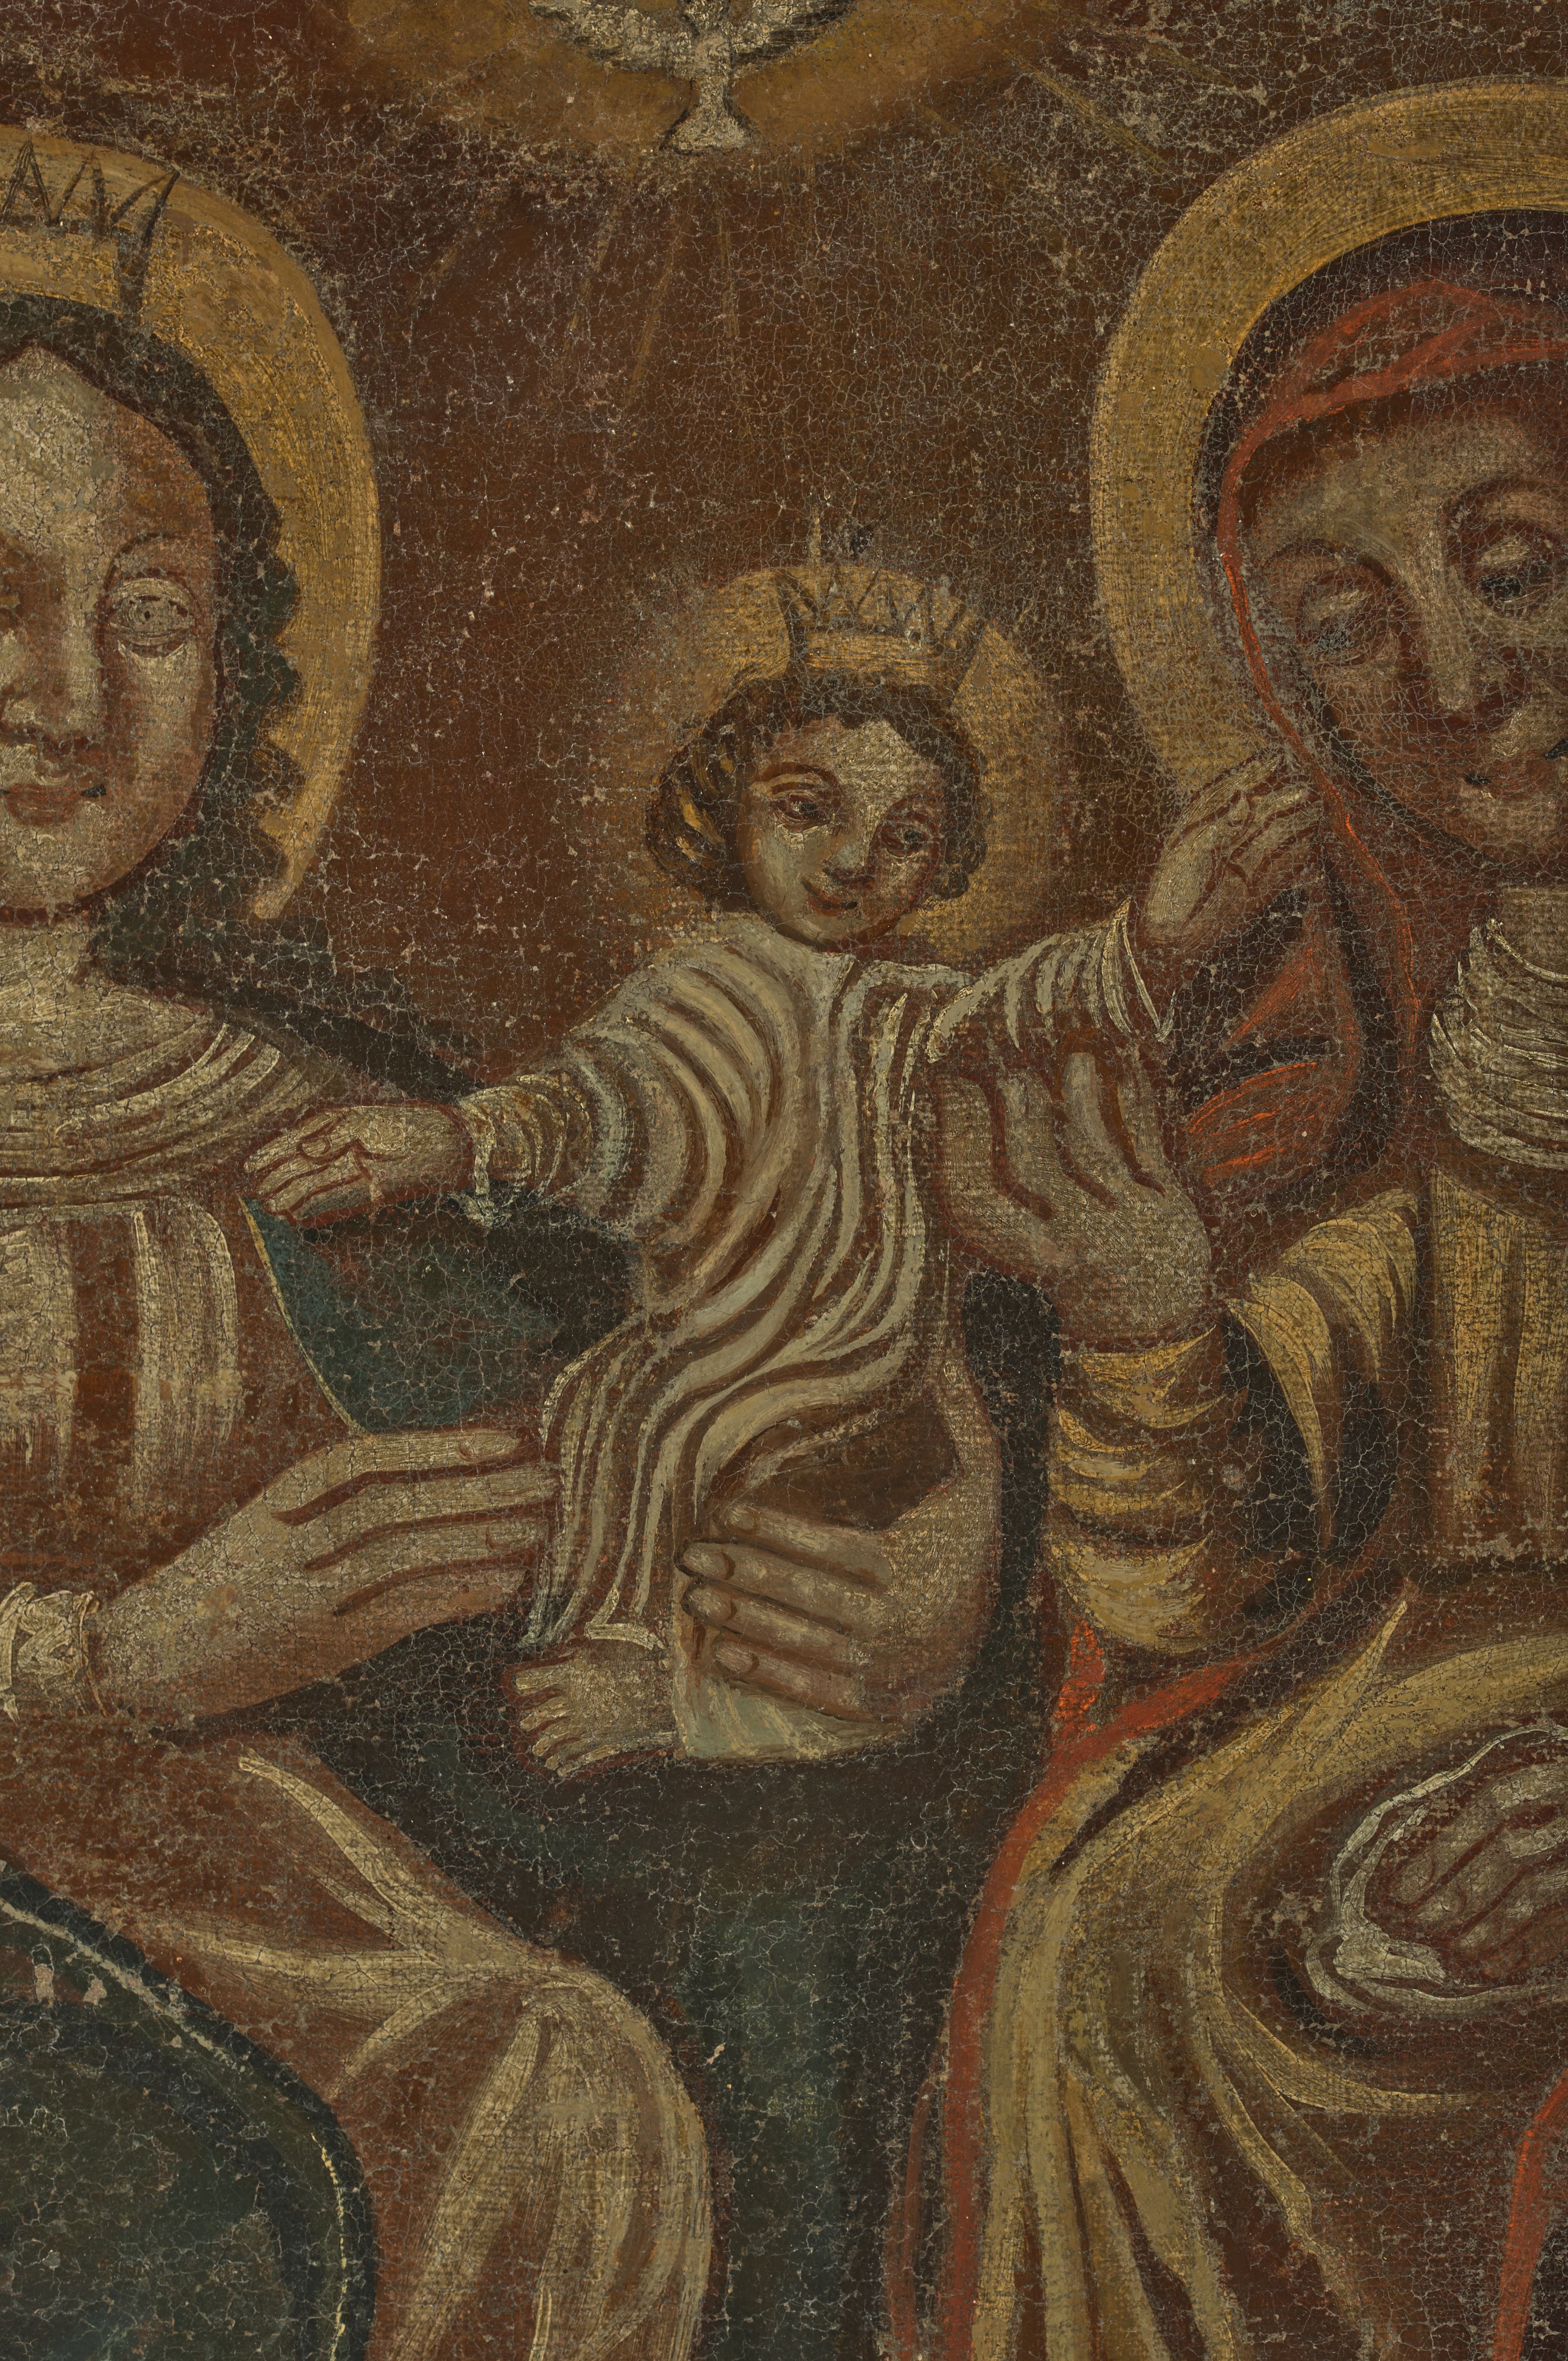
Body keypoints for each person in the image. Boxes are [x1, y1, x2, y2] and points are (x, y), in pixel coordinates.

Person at [0, 130, 711, 2361]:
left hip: (235, 1871)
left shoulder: (305, 1121)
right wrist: (114, 1660)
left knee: (559, 2084)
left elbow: (569, 1462)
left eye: (148, 611)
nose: (67, 689)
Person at [917, 129, 1568, 2361]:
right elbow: (1188, 1595)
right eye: (1343, 623)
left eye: (1517, 564)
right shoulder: (1460, 1059)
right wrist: (1138, 1316)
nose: (1455, 676)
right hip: (1438, 1728)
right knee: (1106, 1932)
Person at [250, 566, 1318, 1775]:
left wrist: (1148, 944)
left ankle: (687, 1706)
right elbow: (602, 1110)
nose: (854, 860)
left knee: (882, 1552)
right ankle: (638, 1672)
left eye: (905, 837)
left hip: (873, 1364)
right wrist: (458, 1140)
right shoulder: (700, 988)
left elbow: (1023, 1015)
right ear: (726, 806)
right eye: (810, 809)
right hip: (704, 1346)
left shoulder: (921, 1008)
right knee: (627, 1435)